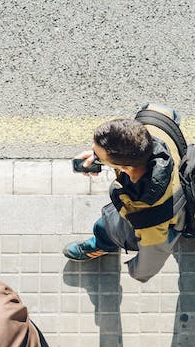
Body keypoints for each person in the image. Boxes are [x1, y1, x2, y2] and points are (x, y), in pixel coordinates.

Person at [63, 113, 185, 283]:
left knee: (105, 226)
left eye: (99, 156)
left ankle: (103, 243)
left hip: (159, 218)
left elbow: (149, 264)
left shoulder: (149, 219)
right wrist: (98, 156)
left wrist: (135, 271)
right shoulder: (153, 122)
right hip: (181, 193)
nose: (93, 155)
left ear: (125, 168)